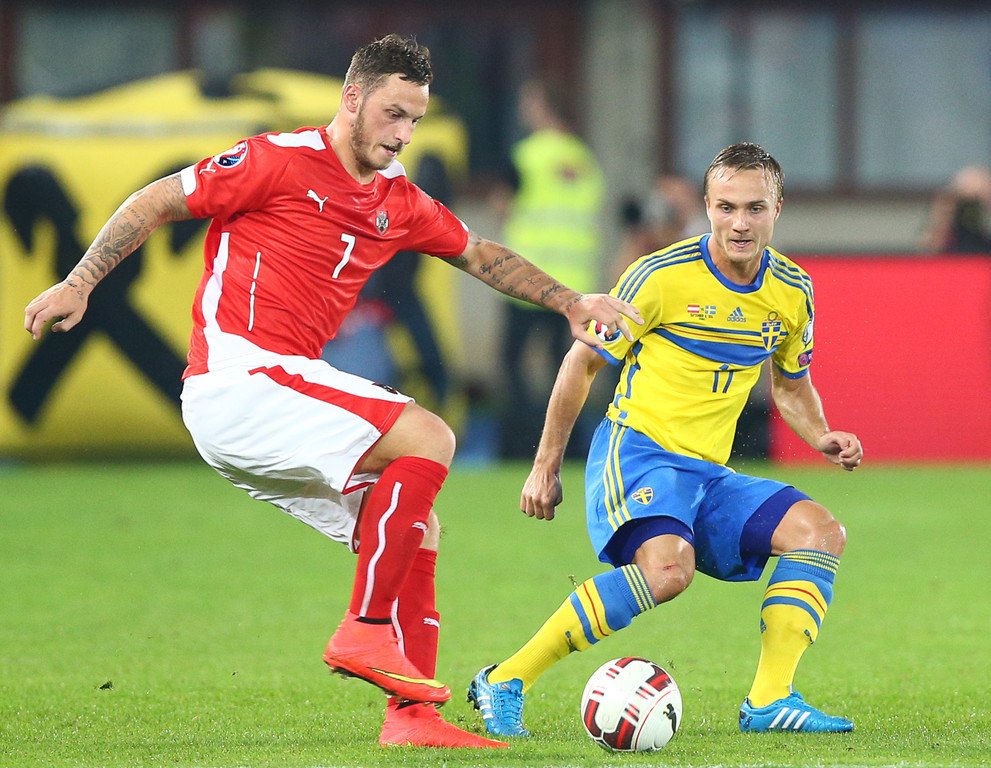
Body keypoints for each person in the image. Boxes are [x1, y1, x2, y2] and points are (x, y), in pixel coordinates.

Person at [23, 34, 641, 750]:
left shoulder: (396, 198)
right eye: (392, 113)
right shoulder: (276, 159)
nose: (403, 133)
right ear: (352, 98)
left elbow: (477, 252)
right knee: (430, 437)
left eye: (415, 119)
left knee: (416, 527)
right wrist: (79, 282)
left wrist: (568, 301)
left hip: (272, 398)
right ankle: (365, 628)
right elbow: (157, 199)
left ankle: (411, 720)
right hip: (238, 379)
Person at [467, 142, 863, 737]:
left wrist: (822, 434)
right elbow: (581, 363)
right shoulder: (660, 276)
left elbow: (790, 385)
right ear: (706, 206)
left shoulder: (792, 290)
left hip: (709, 473)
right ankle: (504, 680)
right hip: (639, 452)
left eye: (755, 208)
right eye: (726, 207)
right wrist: (545, 466)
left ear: (777, 208)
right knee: (668, 572)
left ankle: (769, 701)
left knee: (820, 533)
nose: (739, 223)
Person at [494, 78, 607, 458]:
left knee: (512, 362)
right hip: (576, 284)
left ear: (542, 106)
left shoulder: (526, 155)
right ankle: (570, 445)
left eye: (529, 102)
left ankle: (521, 441)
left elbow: (502, 206)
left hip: (529, 280)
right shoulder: (585, 159)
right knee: (570, 365)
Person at [920, 165, 991, 254]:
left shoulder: (983, 240)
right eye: (963, 205)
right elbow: (929, 249)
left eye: (974, 204)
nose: (970, 211)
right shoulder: (945, 238)